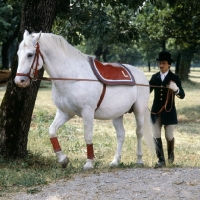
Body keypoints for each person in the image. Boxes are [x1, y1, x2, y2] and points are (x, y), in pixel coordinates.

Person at [149, 51, 185, 168]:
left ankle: (170, 155)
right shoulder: (154, 77)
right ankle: (161, 160)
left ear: (169, 64)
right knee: (156, 134)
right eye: (159, 63)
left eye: (163, 63)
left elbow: (182, 95)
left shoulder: (174, 78)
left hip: (169, 112)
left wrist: (176, 90)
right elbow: (146, 91)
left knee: (169, 136)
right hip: (156, 112)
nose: (161, 65)